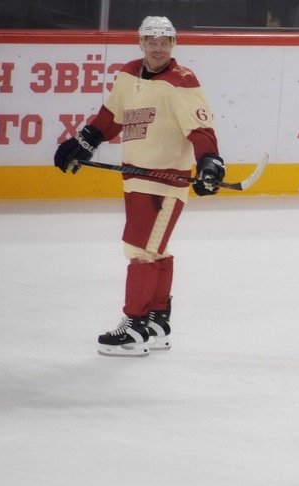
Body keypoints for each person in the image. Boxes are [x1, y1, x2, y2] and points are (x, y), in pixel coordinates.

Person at [53, 16, 225, 358]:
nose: (158, 48)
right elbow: (111, 116)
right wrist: (84, 142)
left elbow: (200, 129)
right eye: (151, 42)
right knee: (155, 250)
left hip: (166, 180)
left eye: (164, 42)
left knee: (140, 250)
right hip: (136, 177)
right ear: (141, 43)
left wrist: (209, 161)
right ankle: (157, 322)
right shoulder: (129, 73)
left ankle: (134, 327)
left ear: (173, 45)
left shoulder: (182, 81)